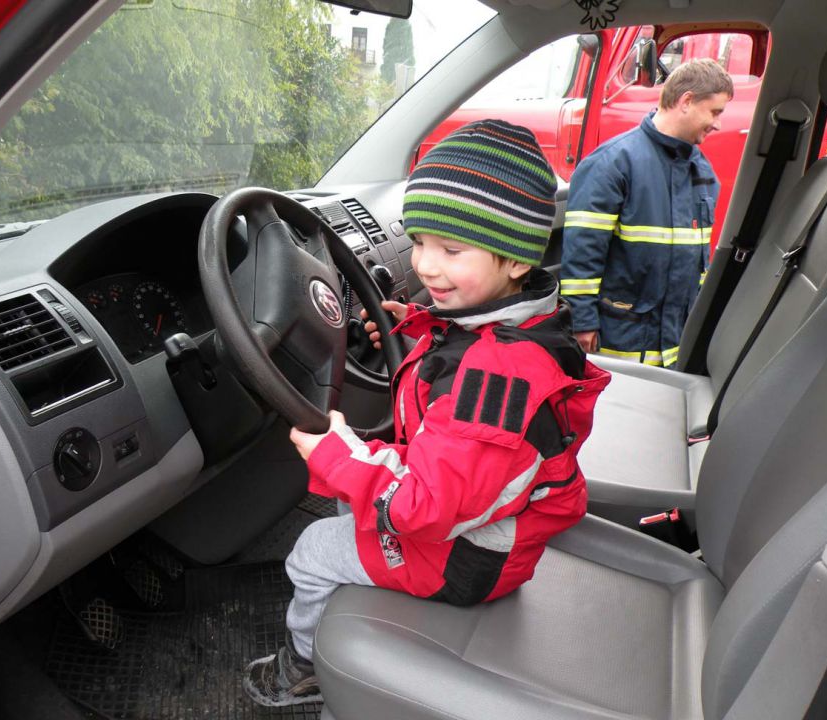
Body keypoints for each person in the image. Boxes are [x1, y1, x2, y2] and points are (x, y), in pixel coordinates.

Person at [241, 118, 610, 707]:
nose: (426, 266)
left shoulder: (495, 387)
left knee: (311, 550)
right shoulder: (512, 323)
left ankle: (304, 668)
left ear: (515, 260)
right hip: (467, 509)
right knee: (352, 494)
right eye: (418, 242)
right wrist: (408, 323)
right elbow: (460, 358)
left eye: (451, 250)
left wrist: (338, 455)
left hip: (470, 556)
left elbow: (424, 506)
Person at [559, 58, 734, 367]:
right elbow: (583, 252)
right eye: (715, 111)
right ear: (686, 101)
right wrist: (582, 321)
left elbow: (697, 262)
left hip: (676, 341)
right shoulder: (612, 164)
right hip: (621, 339)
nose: (718, 123)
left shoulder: (701, 170)